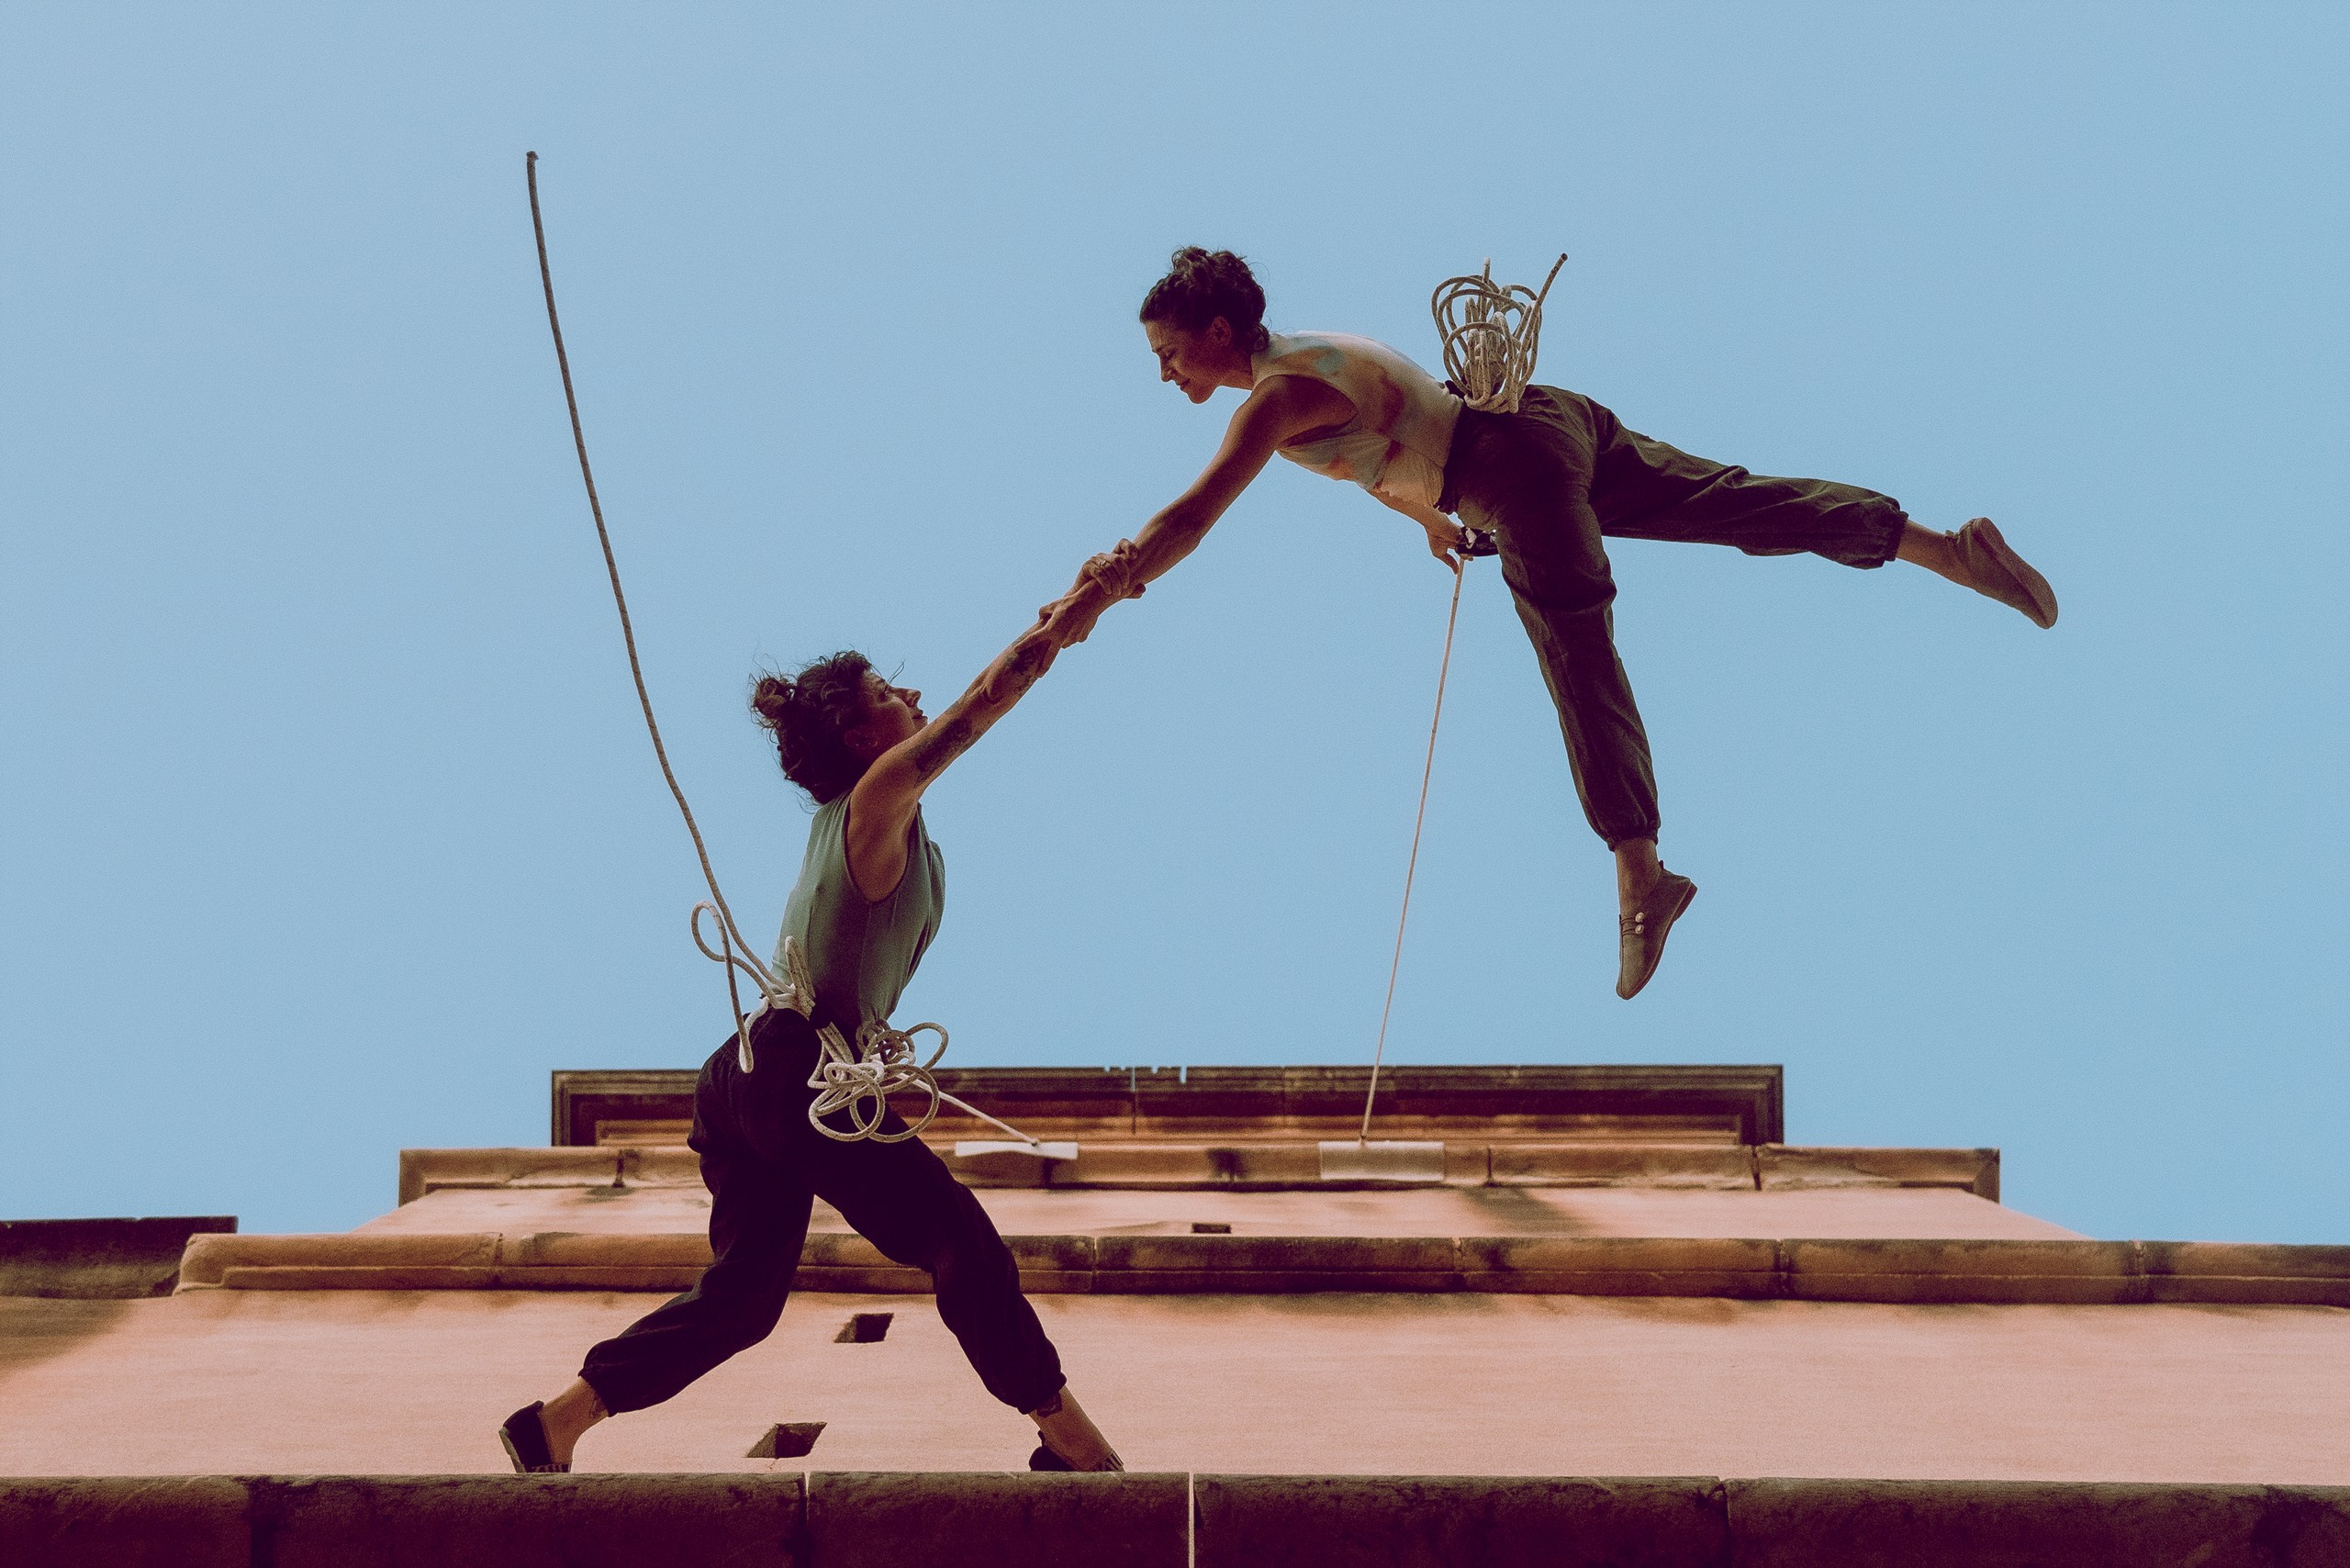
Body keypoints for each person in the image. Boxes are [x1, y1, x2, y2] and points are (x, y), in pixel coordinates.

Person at [1041, 246, 2058, 1000]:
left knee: (1576, 650)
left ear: (1217, 335)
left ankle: (1640, 873)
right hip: (1548, 418)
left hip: (1506, 468)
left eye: (1170, 353)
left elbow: (1194, 513)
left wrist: (1111, 581)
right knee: (1732, 499)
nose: (1166, 373)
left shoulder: (1268, 399)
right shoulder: (1316, 357)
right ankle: (1939, 547)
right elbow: (1393, 428)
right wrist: (1427, 518)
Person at [499, 620, 1123, 1474]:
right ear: (863, 737)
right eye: (887, 693)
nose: (911, 696)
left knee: (748, 1296)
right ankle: (1070, 1436)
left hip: (746, 1076)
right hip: (794, 1066)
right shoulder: (873, 803)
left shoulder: (878, 823)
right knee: (957, 1240)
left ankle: (559, 1421)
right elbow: (988, 700)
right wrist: (1075, 611)